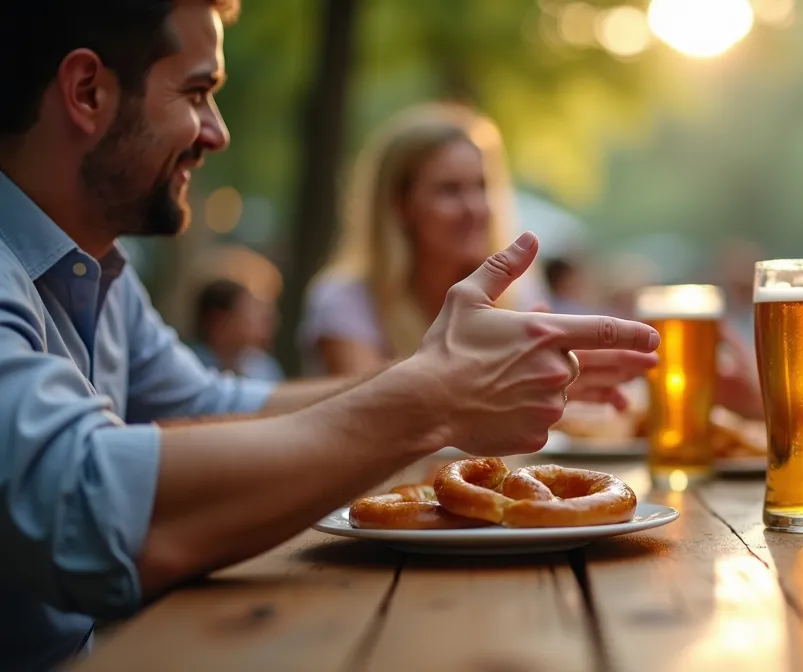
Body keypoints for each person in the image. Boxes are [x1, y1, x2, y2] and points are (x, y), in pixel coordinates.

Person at [0, 2, 659, 669]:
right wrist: (430, 399)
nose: (218, 132)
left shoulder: (102, 275)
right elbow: (82, 508)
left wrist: (447, 373)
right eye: (197, 93)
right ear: (87, 92)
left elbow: (211, 408)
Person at [299, 102, 547, 376]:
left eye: (482, 186)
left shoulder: (518, 294)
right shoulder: (347, 299)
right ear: (400, 205)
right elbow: (369, 398)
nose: (474, 208)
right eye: (449, 190)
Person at [188, 277, 284, 381]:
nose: (266, 323)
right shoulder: (191, 368)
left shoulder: (261, 366)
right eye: (251, 310)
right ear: (219, 321)